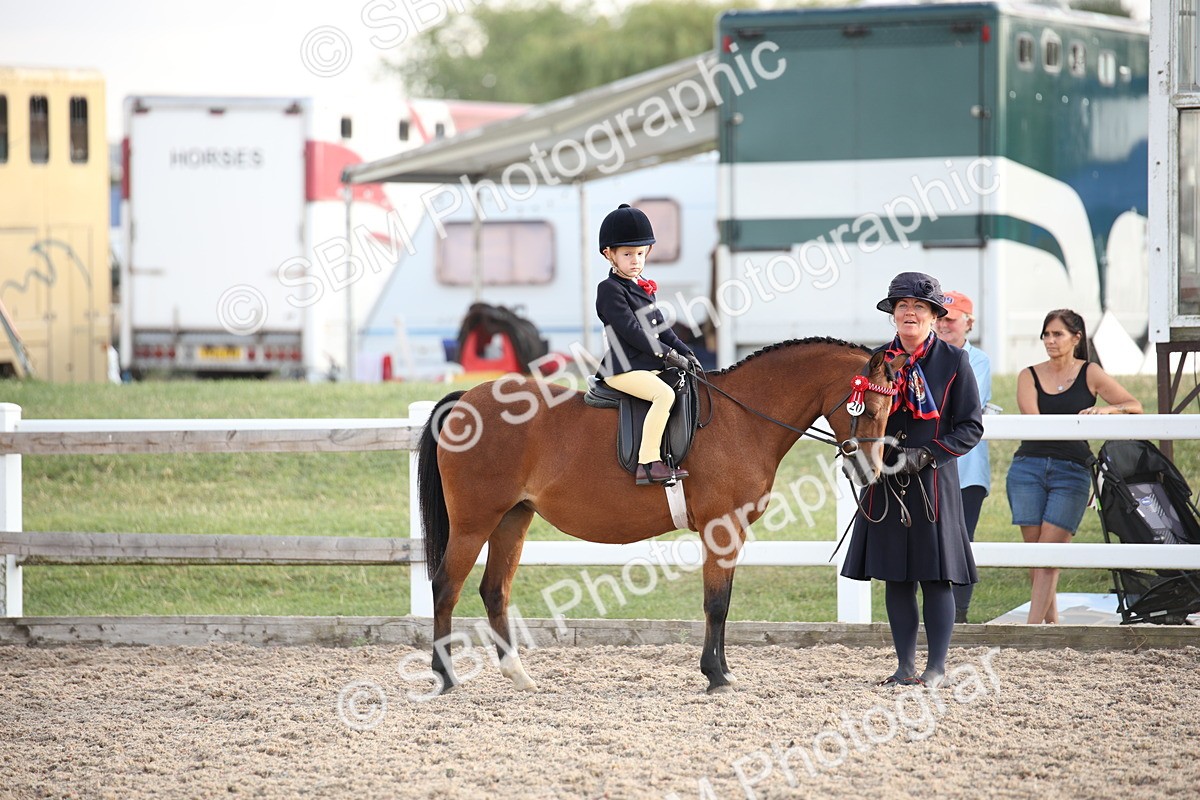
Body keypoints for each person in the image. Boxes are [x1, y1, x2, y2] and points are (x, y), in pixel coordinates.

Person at [841, 272, 983, 688]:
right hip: (884, 480)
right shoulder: (875, 361)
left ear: (934, 315)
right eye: (902, 306)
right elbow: (858, 416)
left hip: (931, 483)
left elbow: (970, 427)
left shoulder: (954, 361)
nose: (909, 312)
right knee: (895, 576)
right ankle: (904, 666)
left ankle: (936, 667)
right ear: (893, 314)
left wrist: (927, 454)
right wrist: (861, 454)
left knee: (935, 578)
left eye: (918, 307)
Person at [1007, 309, 1143, 624]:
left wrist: (1107, 411)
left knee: (1049, 554)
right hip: (1027, 468)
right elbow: (1035, 425)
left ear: (1076, 338)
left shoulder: (1091, 372)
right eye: (1047, 334)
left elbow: (1134, 406)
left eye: (1058, 334)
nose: (1051, 341)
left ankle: (1030, 632)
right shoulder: (1028, 374)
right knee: (1036, 554)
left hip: (1072, 470)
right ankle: (1052, 625)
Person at [594, 204, 701, 486]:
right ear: (610, 255)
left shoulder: (641, 287)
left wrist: (687, 352)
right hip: (623, 368)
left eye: (640, 254)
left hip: (646, 366)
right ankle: (649, 464)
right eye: (628, 254)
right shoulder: (609, 289)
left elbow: (661, 326)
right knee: (663, 396)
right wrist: (666, 353)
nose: (636, 260)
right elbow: (630, 330)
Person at [935, 290, 991, 624]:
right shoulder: (927, 356)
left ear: (968, 323)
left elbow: (962, 407)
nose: (944, 325)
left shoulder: (978, 360)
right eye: (940, 318)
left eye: (951, 319)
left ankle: (959, 614)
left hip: (967, 469)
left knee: (963, 541)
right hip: (936, 465)